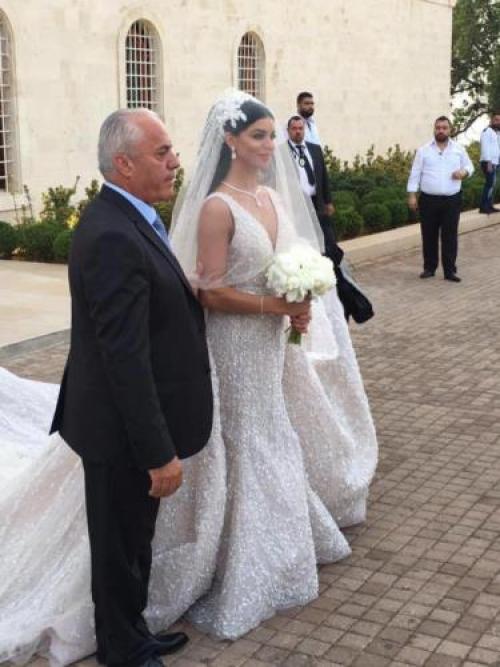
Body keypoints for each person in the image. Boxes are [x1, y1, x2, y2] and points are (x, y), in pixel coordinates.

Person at [0, 91, 377, 664]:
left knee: (133, 537)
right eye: (162, 152)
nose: (176, 161)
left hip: (134, 419)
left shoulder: (131, 219)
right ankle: (122, 648)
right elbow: (123, 357)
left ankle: (132, 632)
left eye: (173, 150)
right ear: (124, 163)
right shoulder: (111, 234)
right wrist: (158, 452)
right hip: (116, 428)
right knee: (117, 541)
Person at [407, 115, 474, 282]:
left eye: (444, 128)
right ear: (434, 129)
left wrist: (464, 172)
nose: (441, 131)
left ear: (450, 130)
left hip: (452, 200)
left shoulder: (458, 149)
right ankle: (429, 268)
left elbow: (470, 166)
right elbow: (415, 174)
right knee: (428, 235)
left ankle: (450, 271)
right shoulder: (423, 151)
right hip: (428, 200)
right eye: (438, 128)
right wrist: (412, 195)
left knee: (450, 236)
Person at [286, 114, 337, 260]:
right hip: (298, 205)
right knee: (306, 241)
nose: (298, 131)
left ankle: (332, 266)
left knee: (328, 239)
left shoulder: (315, 149)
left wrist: (328, 201)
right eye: (294, 129)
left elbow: (324, 176)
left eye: (300, 128)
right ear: (288, 131)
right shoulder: (282, 152)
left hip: (318, 201)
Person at [479, 112, 500, 214]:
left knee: (492, 185)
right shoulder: (487, 131)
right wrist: (489, 162)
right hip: (488, 162)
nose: (498, 122)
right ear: (491, 121)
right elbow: (485, 147)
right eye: (496, 120)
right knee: (489, 184)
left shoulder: (496, 133)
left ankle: (489, 205)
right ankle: (483, 207)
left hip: (495, 162)